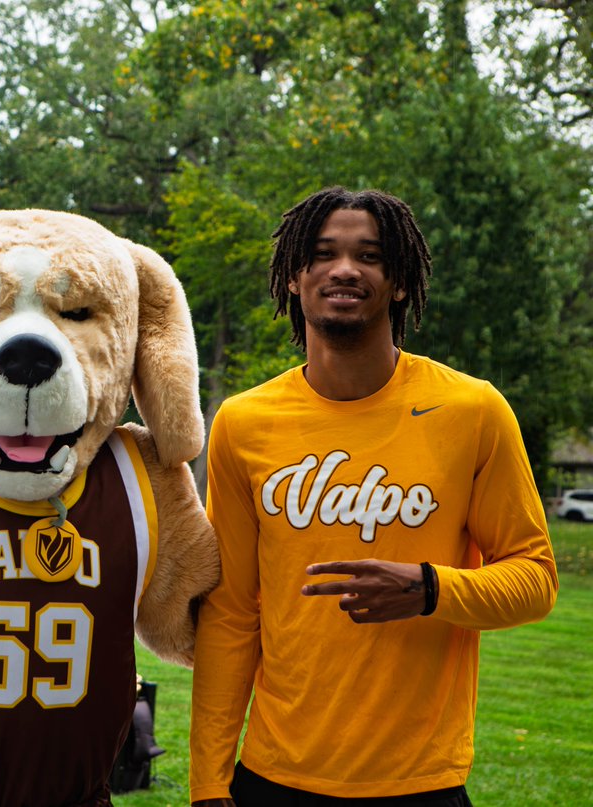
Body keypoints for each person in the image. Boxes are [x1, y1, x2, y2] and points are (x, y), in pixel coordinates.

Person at [188, 186, 557, 806]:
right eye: (323, 253)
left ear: (401, 282)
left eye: (369, 256)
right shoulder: (243, 423)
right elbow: (231, 613)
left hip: (422, 782)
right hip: (273, 776)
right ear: (294, 278)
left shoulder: (472, 410)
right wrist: (207, 781)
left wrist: (430, 588)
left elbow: (536, 579)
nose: (344, 269)